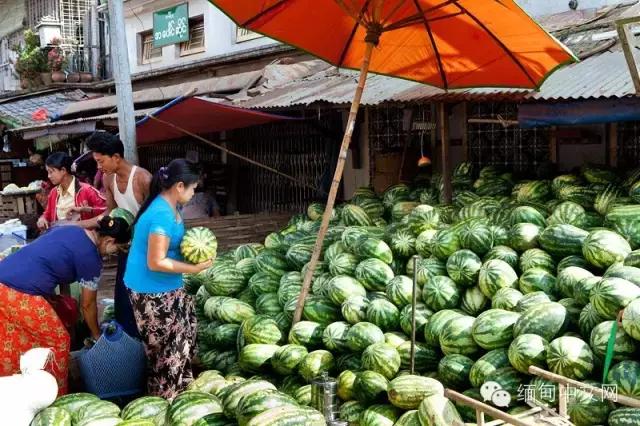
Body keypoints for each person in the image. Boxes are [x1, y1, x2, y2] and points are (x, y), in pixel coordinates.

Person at [0, 214, 131, 395]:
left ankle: (12, 387)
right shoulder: (90, 258)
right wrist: (97, 336)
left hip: (3, 279)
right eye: (116, 249)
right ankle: (55, 395)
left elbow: (52, 260)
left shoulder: (74, 231)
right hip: (20, 292)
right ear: (109, 240)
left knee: (13, 337)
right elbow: (88, 305)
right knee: (59, 341)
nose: (114, 254)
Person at [124, 159, 212, 399]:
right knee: (166, 355)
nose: (194, 194)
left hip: (166, 287)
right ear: (180, 186)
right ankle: (165, 403)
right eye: (194, 188)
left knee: (179, 347)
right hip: (152, 291)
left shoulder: (170, 206)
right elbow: (156, 261)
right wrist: (194, 269)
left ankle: (179, 396)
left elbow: (171, 247)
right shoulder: (161, 213)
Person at [83, 131, 152, 339]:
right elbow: (110, 214)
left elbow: (156, 219)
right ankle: (128, 351)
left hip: (148, 252)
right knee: (124, 304)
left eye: (100, 161)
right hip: (126, 250)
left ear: (116, 157)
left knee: (147, 305)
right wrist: (76, 223)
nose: (98, 167)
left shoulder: (143, 178)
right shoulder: (108, 179)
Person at [37, 152, 106, 230]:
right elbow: (47, 214)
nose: (49, 176)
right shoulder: (54, 192)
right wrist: (42, 219)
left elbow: (106, 211)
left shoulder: (87, 190)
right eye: (48, 172)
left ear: (63, 170)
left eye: (51, 172)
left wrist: (88, 210)